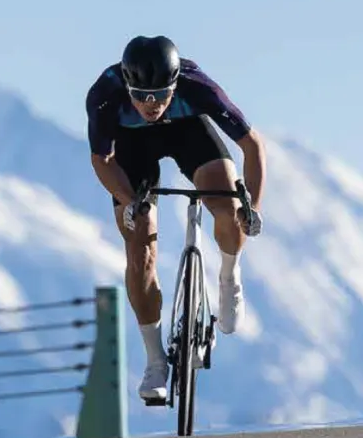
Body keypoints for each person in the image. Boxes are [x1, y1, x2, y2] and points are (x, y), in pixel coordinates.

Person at [84, 35, 267, 404]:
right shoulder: (105, 94)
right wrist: (129, 201)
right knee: (139, 245)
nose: (150, 105)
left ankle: (230, 275)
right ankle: (155, 361)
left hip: (187, 132)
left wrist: (252, 207)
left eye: (159, 95)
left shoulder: (199, 88)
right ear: (126, 84)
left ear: (175, 84)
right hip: (130, 146)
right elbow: (103, 161)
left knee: (229, 211)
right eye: (140, 96)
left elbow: (251, 145)